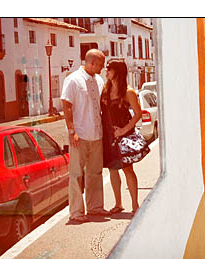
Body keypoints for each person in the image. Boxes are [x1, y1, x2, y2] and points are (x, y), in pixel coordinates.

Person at [61, 49, 110, 223]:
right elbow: (66, 105)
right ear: (92, 63)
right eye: (100, 64)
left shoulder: (99, 80)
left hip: (97, 135)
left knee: (95, 173)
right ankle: (76, 212)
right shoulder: (73, 80)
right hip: (79, 136)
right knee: (76, 175)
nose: (102, 68)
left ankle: (95, 207)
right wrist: (72, 131)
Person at [100, 59, 146, 214]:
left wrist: (123, 130)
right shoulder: (105, 90)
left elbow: (138, 114)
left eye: (109, 68)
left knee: (128, 170)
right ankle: (118, 204)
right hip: (108, 136)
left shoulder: (128, 91)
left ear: (117, 71)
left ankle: (135, 205)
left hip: (123, 137)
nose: (105, 71)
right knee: (112, 170)